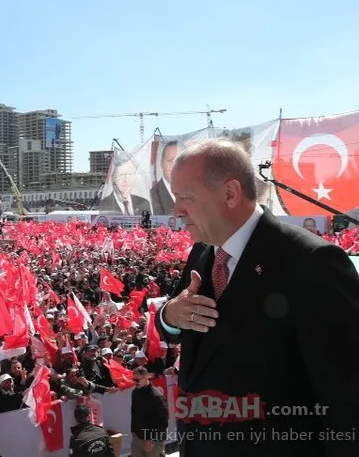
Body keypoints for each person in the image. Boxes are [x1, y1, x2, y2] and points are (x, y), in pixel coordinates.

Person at [155, 139, 359, 457]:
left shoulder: (312, 262)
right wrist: (169, 316)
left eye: (186, 198)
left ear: (230, 193)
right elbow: (182, 325)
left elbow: (346, 399)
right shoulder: (202, 251)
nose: (177, 210)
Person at [130, 367, 168, 457]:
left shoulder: (156, 396)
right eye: (133, 379)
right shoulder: (135, 392)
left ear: (146, 377)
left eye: (137, 379)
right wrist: (133, 431)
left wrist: (151, 439)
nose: (135, 382)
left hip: (152, 439)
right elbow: (134, 413)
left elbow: (163, 422)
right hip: (137, 436)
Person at [150, 141, 178, 215]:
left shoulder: (197, 194)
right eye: (170, 161)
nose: (175, 166)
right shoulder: (152, 196)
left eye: (180, 161)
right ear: (162, 164)